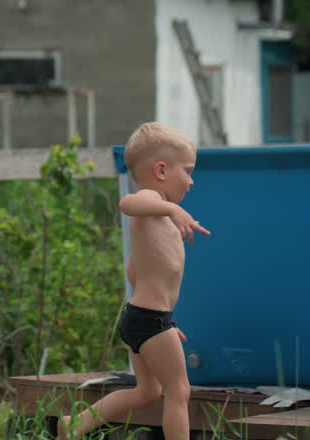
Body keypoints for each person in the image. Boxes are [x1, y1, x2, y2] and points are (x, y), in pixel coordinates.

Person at [60, 122, 209, 440]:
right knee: (179, 391)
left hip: (144, 317)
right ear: (161, 170)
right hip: (150, 320)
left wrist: (165, 326)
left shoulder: (157, 217)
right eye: (188, 170)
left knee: (147, 392)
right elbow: (126, 204)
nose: (192, 181)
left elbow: (136, 270)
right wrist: (172, 209)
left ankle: (76, 424)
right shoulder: (149, 203)